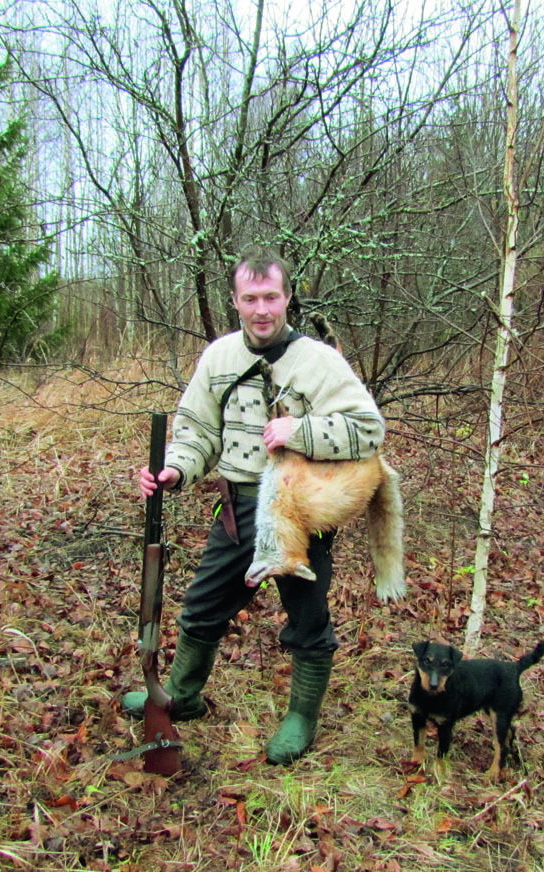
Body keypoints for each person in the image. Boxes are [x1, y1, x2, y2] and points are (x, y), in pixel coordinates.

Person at [122, 245, 387, 765]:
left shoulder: (320, 362)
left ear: (287, 298)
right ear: (235, 301)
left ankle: (301, 718)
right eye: (250, 299)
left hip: (300, 510)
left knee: (307, 619)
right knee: (201, 608)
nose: (261, 309)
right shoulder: (219, 357)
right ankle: (182, 695)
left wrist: (300, 430)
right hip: (237, 507)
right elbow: (197, 431)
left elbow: (368, 430)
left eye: (271, 297)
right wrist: (175, 468)